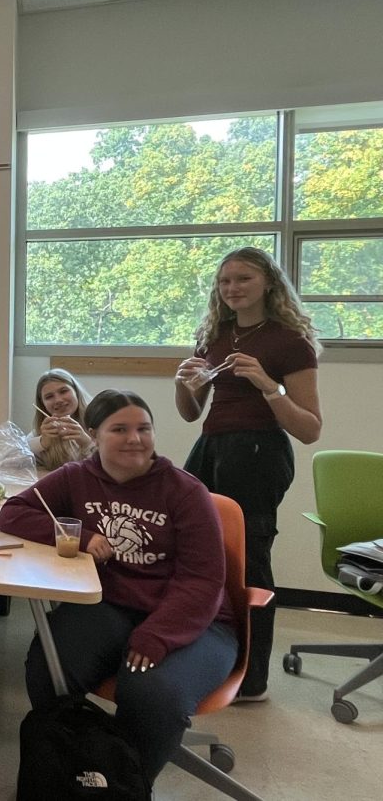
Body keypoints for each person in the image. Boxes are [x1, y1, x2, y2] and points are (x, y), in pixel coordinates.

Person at [0, 389, 237, 784]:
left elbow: (203, 581)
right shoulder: (77, 476)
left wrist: (158, 635)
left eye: (144, 428)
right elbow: (13, 513)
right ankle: (78, 766)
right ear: (94, 434)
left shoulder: (185, 491)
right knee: (48, 669)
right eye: (119, 429)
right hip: (111, 605)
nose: (134, 439)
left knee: (151, 695)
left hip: (195, 618)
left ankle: (125, 786)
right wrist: (81, 535)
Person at [175, 246, 322, 701]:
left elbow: (309, 428)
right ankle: (206, 657)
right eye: (224, 282)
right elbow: (188, 412)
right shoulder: (214, 336)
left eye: (243, 279)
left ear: (268, 284)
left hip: (259, 454)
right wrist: (183, 384)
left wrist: (268, 385)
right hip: (212, 448)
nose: (232, 288)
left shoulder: (288, 342)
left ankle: (252, 679)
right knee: (194, 553)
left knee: (249, 564)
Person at [26, 368, 94, 470]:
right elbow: (6, 463)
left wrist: (87, 444)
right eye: (49, 397)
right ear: (42, 404)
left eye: (63, 391)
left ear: (76, 391)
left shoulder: (101, 423)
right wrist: (42, 443)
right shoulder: (41, 433)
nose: (58, 400)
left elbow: (115, 466)